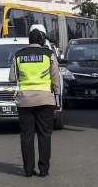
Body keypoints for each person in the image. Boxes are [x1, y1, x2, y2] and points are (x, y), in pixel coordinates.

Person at [9, 24, 61, 177]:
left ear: (29, 40)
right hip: (45, 100)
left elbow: (12, 78)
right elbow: (55, 78)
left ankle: (28, 169)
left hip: (25, 101)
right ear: (42, 40)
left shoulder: (19, 55)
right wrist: (56, 95)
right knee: (45, 134)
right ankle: (43, 169)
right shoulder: (49, 54)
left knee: (27, 135)